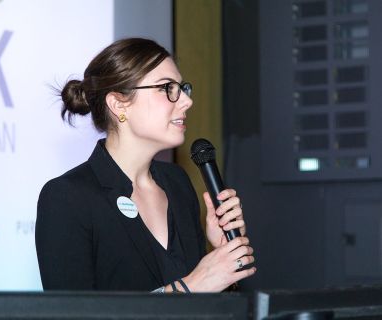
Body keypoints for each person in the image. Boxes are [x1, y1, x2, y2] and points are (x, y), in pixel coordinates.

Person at [35, 37, 256, 293]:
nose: (186, 101)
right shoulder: (67, 197)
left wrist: (222, 258)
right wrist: (190, 287)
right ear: (119, 104)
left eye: (182, 88)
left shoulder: (178, 183)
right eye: (166, 88)